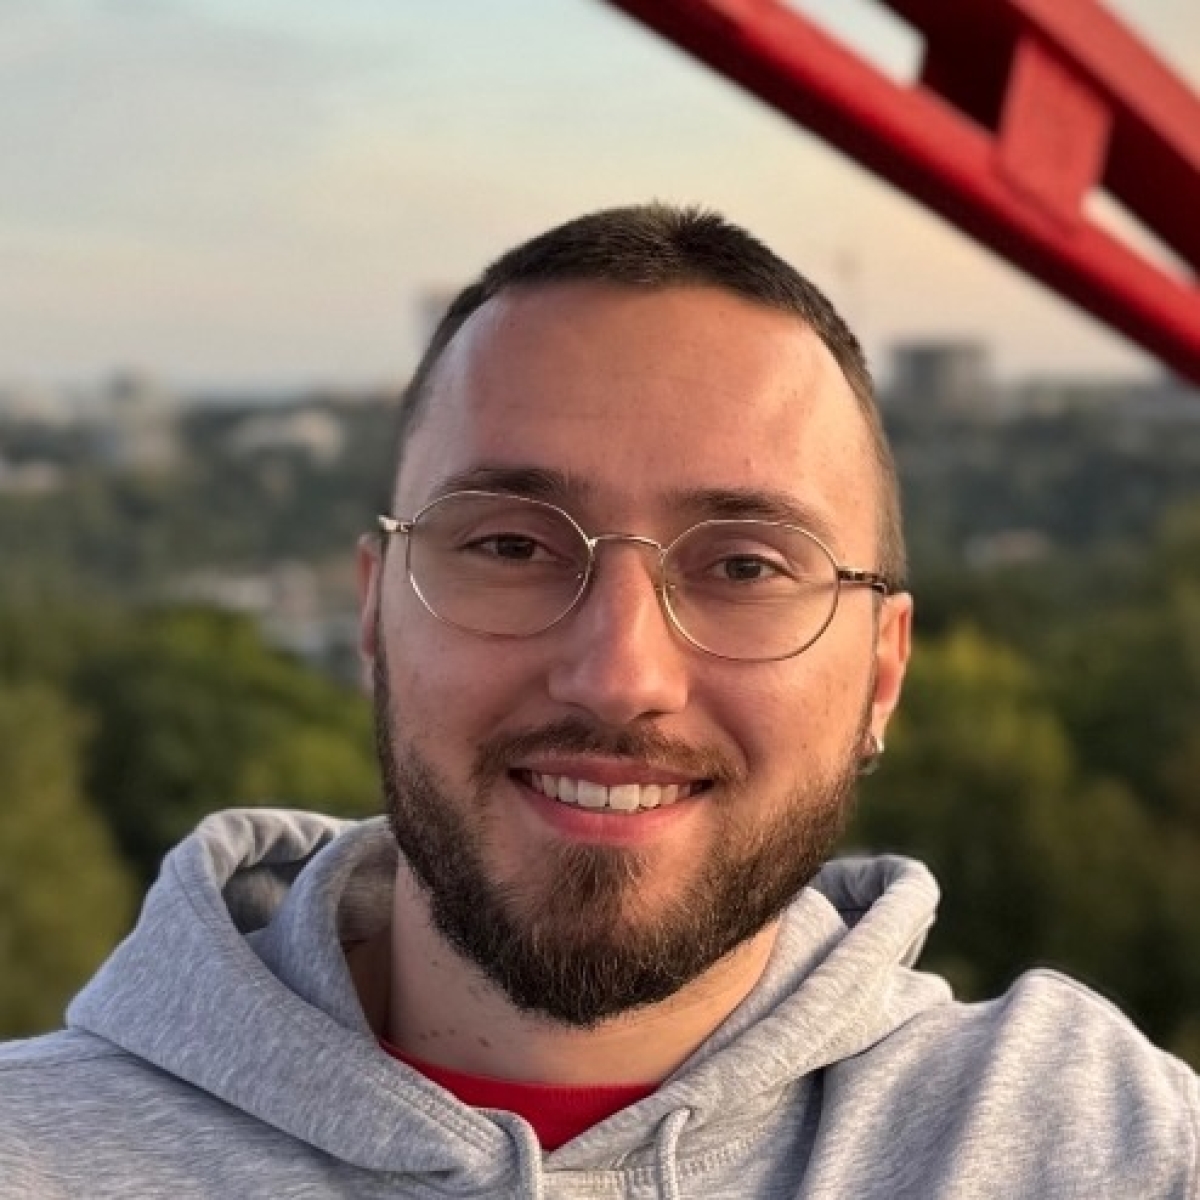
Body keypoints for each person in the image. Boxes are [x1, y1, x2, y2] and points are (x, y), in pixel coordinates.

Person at [1, 204, 1196, 1199]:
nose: (620, 675)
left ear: (883, 672)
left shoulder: (1104, 1147)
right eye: (512, 547)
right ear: (373, 617)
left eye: (745, 566)